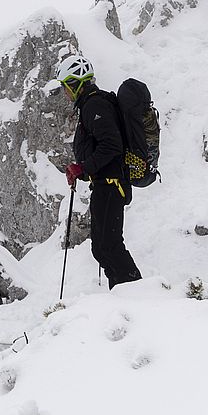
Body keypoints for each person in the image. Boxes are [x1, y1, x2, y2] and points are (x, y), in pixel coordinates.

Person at [57, 54, 142, 289]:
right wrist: (81, 172)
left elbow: (111, 145)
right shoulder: (91, 105)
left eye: (65, 87)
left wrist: (82, 167)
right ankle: (123, 293)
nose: (65, 93)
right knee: (103, 247)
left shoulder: (94, 104)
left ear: (75, 84)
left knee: (109, 246)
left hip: (111, 184)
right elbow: (102, 148)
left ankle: (138, 292)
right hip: (106, 184)